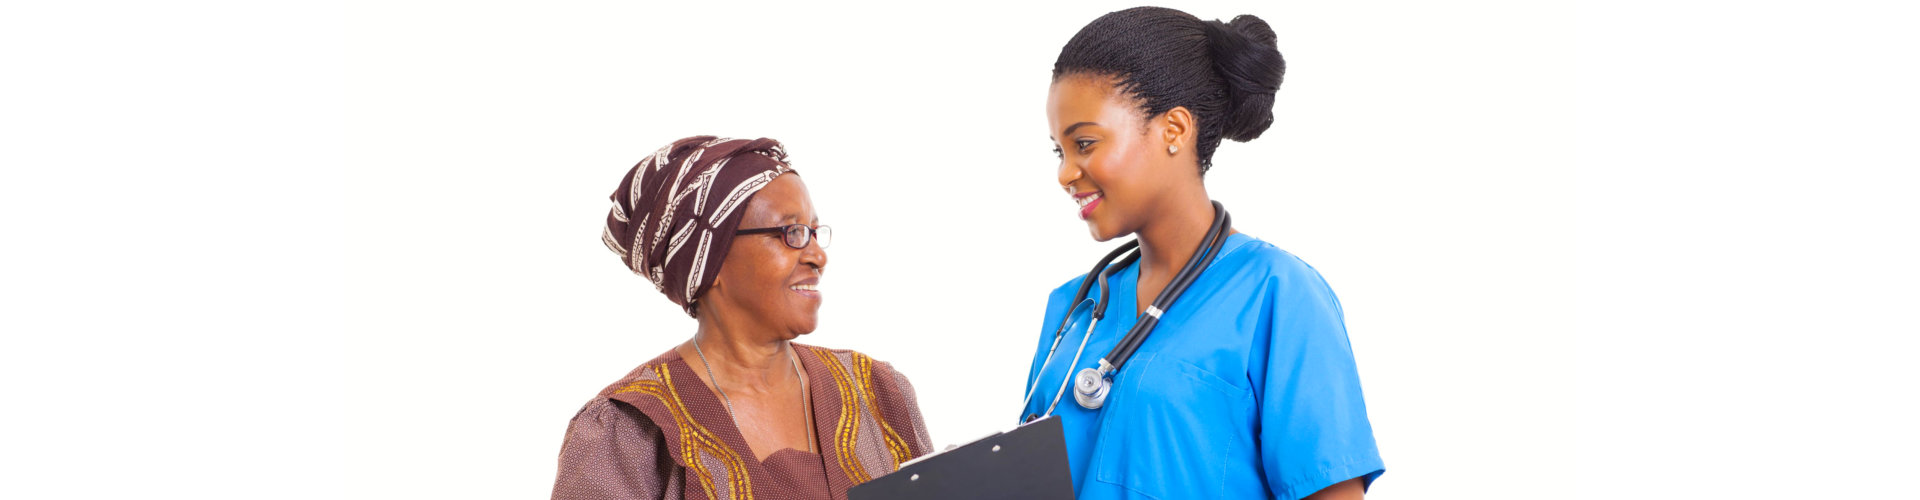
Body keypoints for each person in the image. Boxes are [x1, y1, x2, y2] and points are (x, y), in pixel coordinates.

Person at [1019, 7, 1385, 500]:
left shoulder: (1275, 293)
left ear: (1174, 129)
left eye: (1084, 143)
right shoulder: (1073, 308)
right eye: (1059, 152)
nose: (1066, 173)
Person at [553, 136, 933, 500]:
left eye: (815, 233)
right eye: (792, 233)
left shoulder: (876, 392)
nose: (818, 256)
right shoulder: (629, 430)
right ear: (710, 262)